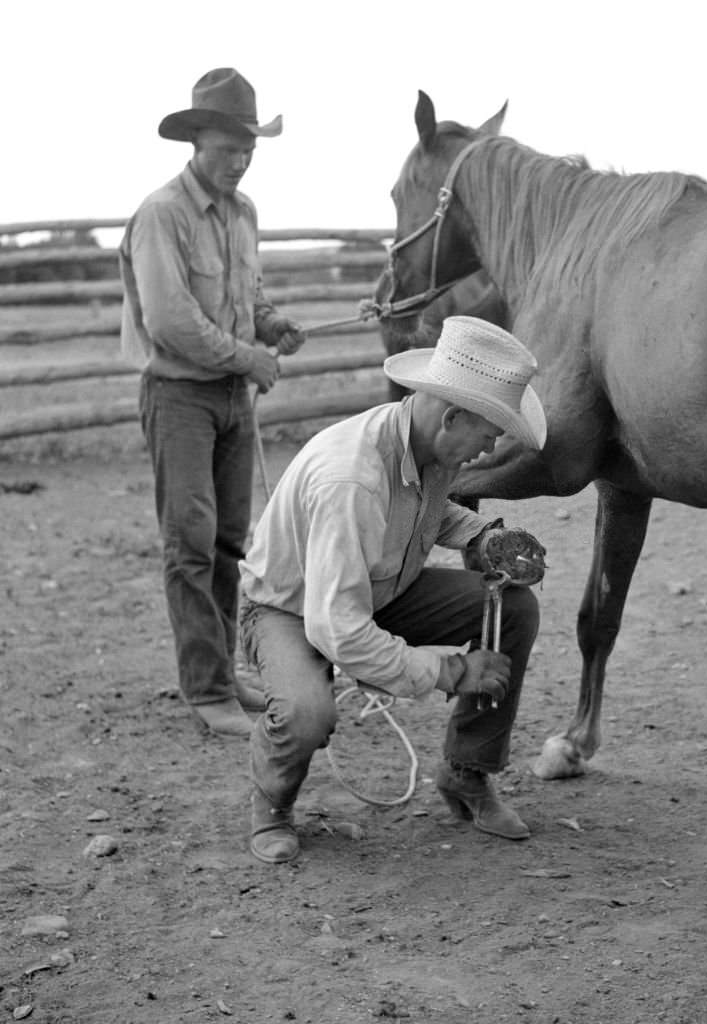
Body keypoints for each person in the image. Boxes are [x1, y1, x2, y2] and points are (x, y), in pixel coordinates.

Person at [238, 315, 546, 864]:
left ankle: (465, 772)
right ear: (451, 416)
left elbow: (421, 511)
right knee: (308, 712)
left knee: (513, 609)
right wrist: (451, 670)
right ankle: (273, 803)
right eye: (490, 432)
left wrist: (479, 536)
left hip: (378, 591)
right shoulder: (351, 478)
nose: (491, 447)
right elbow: (338, 627)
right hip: (289, 608)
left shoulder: (427, 445)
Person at [119, 68, 306, 738]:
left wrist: (271, 325)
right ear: (196, 140)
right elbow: (170, 322)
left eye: (248, 148)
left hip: (232, 398)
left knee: (230, 540)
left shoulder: (242, 211)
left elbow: (243, 298)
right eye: (227, 147)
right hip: (179, 398)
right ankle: (205, 691)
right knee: (190, 542)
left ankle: (223, 674)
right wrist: (248, 357)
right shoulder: (162, 214)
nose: (239, 160)